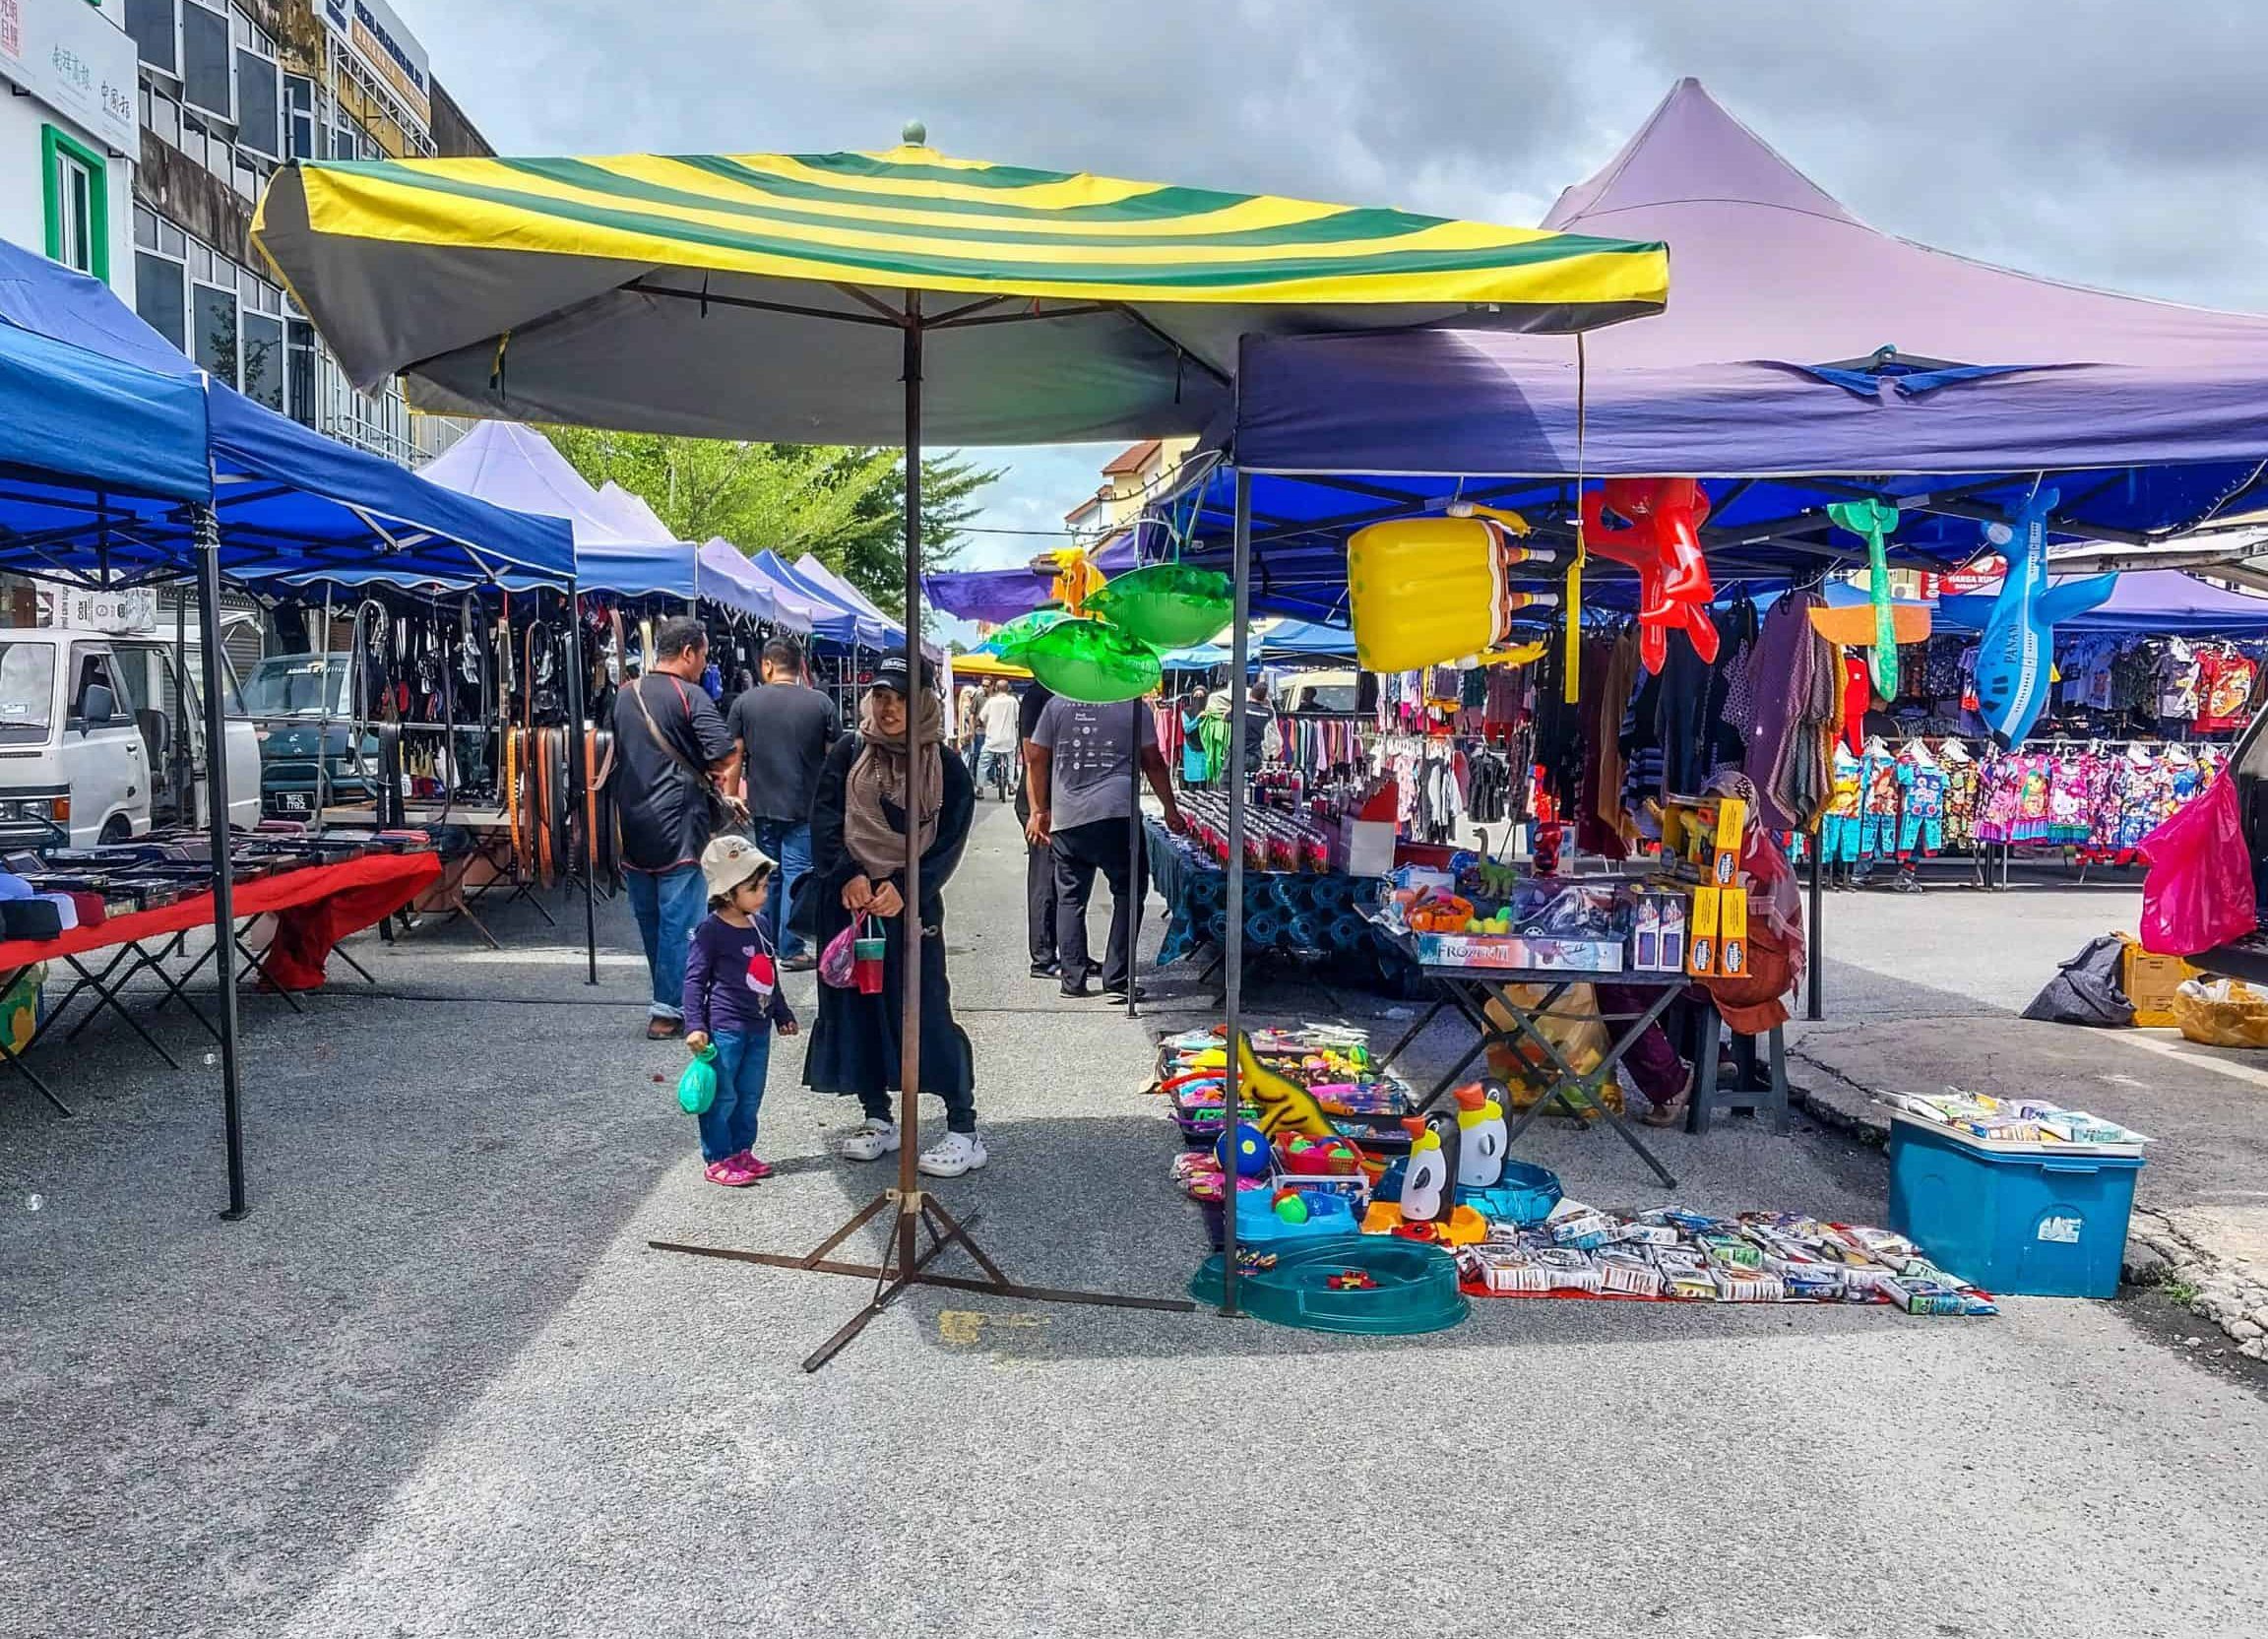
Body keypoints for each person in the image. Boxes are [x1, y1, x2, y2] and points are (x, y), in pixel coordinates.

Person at [796, 652, 983, 1177]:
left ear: (923, 701)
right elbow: (826, 819)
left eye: (901, 697)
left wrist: (907, 888)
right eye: (881, 695)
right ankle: (877, 1115)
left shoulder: (945, 766)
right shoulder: (850, 751)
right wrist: (849, 873)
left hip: (911, 908)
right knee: (860, 1009)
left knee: (923, 1010)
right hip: (852, 905)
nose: (889, 707)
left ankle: (963, 1127)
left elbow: (948, 843)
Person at [609, 615, 741, 1040]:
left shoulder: (625, 695)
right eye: (702, 655)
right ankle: (669, 1010)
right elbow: (722, 756)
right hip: (681, 823)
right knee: (681, 920)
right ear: (688, 652)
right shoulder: (691, 696)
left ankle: (667, 997)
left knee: (651, 920)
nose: (704, 664)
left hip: (632, 822)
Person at [1026, 692, 1188, 1001]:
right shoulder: (1133, 707)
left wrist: (1038, 811)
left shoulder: (1056, 705)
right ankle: (1117, 977)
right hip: (1117, 814)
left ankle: (1072, 980)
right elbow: (1152, 760)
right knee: (1128, 893)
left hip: (1068, 817)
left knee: (1070, 898)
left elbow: (1036, 758)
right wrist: (1170, 808)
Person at [681, 835, 797, 1186]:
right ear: (728, 890)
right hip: (725, 1029)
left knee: (750, 1094)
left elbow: (769, 976)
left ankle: (741, 1150)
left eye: (764, 886)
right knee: (722, 1095)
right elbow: (693, 982)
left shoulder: (760, 926)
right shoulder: (710, 932)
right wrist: (694, 1025)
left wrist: (782, 1013)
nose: (763, 895)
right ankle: (717, 1157)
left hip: (758, 1028)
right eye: (754, 888)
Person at [725, 635, 839, 971]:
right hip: (806, 806)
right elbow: (834, 760)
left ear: (768, 665)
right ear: (800, 666)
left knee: (767, 877)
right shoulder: (821, 704)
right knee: (797, 875)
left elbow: (735, 755)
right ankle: (791, 948)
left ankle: (766, 945)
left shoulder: (746, 703)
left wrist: (731, 796)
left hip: (762, 805)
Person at [1015, 680, 1060, 977]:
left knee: (1061, 881)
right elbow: (1032, 757)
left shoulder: (1060, 691)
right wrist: (1038, 810)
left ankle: (1067, 954)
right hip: (1039, 803)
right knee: (1045, 878)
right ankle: (1043, 957)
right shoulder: (1037, 696)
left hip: (1056, 801)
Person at [976, 678, 1023, 797]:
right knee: (1011, 761)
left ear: (996, 688)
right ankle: (1011, 785)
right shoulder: (1013, 701)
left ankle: (980, 790)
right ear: (1008, 689)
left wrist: (984, 724)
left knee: (983, 763)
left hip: (992, 740)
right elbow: (1018, 719)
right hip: (1009, 739)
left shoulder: (991, 702)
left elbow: (982, 717)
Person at [1177, 688, 1210, 788]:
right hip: (1190, 747)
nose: (1199, 699)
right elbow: (1187, 729)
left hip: (1205, 747)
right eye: (1196, 696)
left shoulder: (1209, 711)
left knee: (1205, 779)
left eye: (1201, 696)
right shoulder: (1186, 712)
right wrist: (1198, 719)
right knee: (1192, 779)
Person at [957, 679, 984, 776]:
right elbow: (969, 719)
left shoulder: (962, 705)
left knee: (966, 756)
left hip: (964, 734)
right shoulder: (967, 706)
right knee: (967, 757)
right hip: (967, 734)